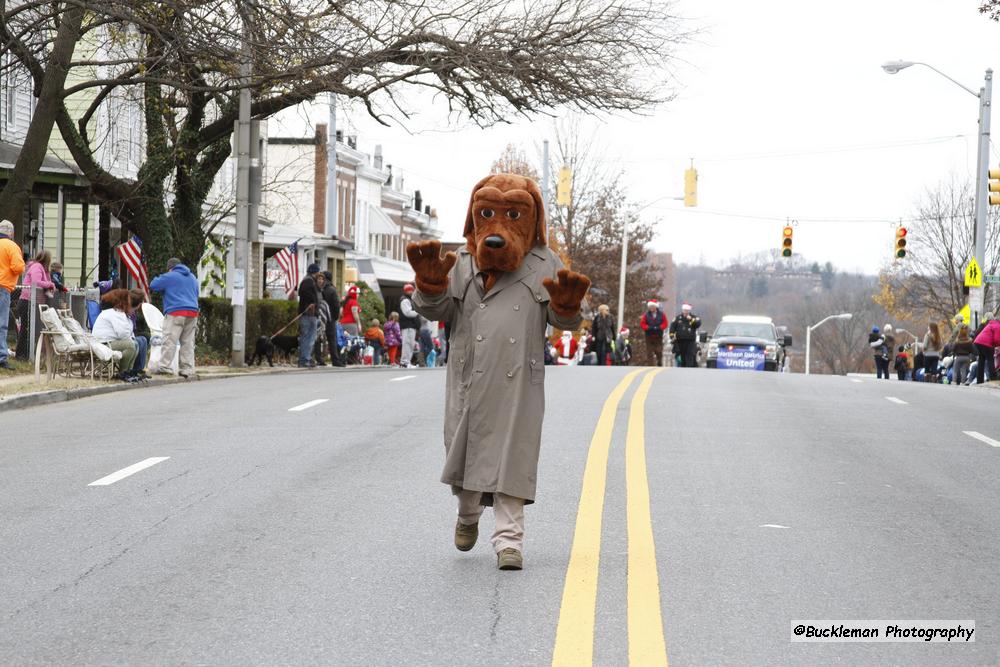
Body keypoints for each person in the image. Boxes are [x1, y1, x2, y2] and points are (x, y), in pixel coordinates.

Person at [407, 173, 589, 571]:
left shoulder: (544, 262)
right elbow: (439, 311)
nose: (499, 224)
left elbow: (563, 318)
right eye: (488, 212)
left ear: (531, 218)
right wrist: (431, 286)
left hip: (518, 381)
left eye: (513, 213)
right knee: (465, 453)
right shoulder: (464, 259)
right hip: (469, 375)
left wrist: (569, 308)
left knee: (513, 458)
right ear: (475, 215)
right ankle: (468, 514)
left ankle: (510, 542)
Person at [149, 257, 200, 378]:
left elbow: (153, 284)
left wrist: (164, 276)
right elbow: (196, 294)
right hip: (193, 312)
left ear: (170, 268)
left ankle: (165, 367)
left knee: (170, 340)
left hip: (176, 311)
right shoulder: (192, 277)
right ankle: (186, 369)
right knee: (187, 342)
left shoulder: (170, 276)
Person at [91, 289, 141, 382]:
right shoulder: (115, 313)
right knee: (131, 345)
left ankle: (129, 372)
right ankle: (123, 373)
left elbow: (124, 333)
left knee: (135, 344)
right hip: (103, 344)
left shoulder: (115, 312)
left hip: (107, 342)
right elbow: (123, 334)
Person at [15, 249, 55, 360]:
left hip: (34, 302)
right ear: (47, 259)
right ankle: (21, 355)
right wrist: (50, 284)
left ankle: (29, 354)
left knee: (30, 329)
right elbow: (36, 282)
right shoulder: (37, 267)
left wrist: (50, 283)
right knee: (25, 329)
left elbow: (45, 282)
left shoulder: (43, 269)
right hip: (27, 301)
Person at [0, 220, 24, 370]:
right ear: (11, 233)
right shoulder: (11, 246)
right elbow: (18, 267)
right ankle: (1, 357)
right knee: (1, 324)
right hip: (3, 287)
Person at [295, 263, 321, 368]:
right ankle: (305, 359)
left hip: (307, 313)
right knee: (309, 337)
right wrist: (312, 301)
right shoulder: (309, 281)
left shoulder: (306, 281)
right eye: (318, 272)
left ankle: (304, 359)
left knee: (306, 337)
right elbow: (305, 293)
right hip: (309, 314)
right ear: (315, 272)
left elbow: (301, 293)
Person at [320, 271, 345, 367]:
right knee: (332, 339)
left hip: (320, 315)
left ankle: (319, 359)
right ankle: (335, 360)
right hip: (330, 317)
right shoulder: (332, 289)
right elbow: (336, 304)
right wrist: (335, 316)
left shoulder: (319, 288)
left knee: (318, 339)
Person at [669, 302, 701, 368]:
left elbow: (698, 324)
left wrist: (691, 320)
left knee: (690, 356)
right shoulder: (677, 318)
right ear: (682, 310)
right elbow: (672, 328)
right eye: (684, 310)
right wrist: (672, 337)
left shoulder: (694, 317)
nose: (686, 312)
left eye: (687, 310)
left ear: (689, 311)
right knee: (682, 358)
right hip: (680, 341)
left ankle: (689, 370)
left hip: (690, 342)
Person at [639, 299, 667, 366]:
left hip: (658, 335)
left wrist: (660, 327)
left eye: (652, 306)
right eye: (650, 306)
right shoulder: (646, 315)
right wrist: (648, 327)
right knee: (649, 352)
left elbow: (665, 323)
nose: (651, 308)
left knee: (659, 351)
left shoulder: (662, 314)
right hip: (649, 336)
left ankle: (659, 361)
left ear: (656, 307)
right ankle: (650, 365)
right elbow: (642, 324)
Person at [312, 271, 332, 365]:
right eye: (319, 279)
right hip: (314, 316)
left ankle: (319, 358)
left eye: (322, 279)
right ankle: (312, 357)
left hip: (321, 317)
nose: (320, 281)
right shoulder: (314, 289)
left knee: (319, 339)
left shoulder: (321, 290)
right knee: (314, 338)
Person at [973, 315, 1000, 385]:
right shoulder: (997, 325)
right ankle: (993, 378)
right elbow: (997, 339)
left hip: (978, 342)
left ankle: (979, 380)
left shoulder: (991, 324)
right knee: (990, 359)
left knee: (981, 361)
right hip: (986, 344)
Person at [399, 283, 420, 368]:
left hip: (410, 326)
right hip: (408, 326)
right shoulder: (405, 300)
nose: (411, 291)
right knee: (407, 344)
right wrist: (419, 312)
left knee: (410, 344)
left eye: (411, 290)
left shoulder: (408, 299)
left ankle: (406, 362)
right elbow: (407, 313)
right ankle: (405, 362)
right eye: (409, 290)